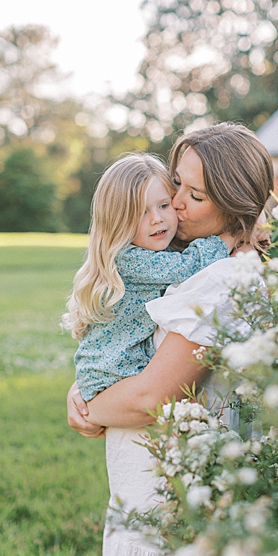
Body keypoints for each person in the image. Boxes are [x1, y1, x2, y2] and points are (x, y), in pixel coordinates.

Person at [65, 123, 272, 556]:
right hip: (152, 489)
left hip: (167, 500)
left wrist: (90, 406)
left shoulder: (221, 280)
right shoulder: (199, 265)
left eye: (191, 196)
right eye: (175, 184)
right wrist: (88, 389)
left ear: (234, 206)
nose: (174, 206)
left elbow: (156, 395)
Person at [64, 153, 230, 403]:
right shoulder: (129, 259)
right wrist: (234, 237)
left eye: (164, 205)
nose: (157, 218)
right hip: (113, 375)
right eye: (141, 212)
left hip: (119, 372)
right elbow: (188, 265)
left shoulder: (152, 251)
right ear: (117, 221)